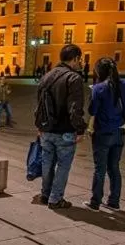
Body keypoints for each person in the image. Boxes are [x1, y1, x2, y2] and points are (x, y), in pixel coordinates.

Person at [32, 44, 87, 210]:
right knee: (63, 165)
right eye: (80, 59)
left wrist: (39, 125)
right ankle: (56, 199)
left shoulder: (47, 76)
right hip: (65, 131)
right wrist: (80, 129)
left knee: (47, 163)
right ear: (75, 58)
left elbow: (39, 104)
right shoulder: (74, 78)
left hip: (46, 129)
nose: (81, 63)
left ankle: (45, 194)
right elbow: (75, 109)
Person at [86, 58, 125, 211]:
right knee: (114, 167)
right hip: (120, 131)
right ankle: (114, 201)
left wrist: (92, 93)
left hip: (103, 132)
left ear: (99, 71)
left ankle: (95, 202)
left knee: (100, 168)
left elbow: (92, 110)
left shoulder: (99, 88)